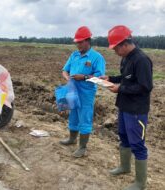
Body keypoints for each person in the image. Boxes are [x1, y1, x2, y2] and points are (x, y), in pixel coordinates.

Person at [101, 25, 153, 190]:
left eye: (115, 48)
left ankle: (140, 183)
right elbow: (126, 79)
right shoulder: (126, 58)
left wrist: (120, 88)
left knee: (137, 144)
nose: (115, 51)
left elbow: (145, 87)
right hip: (124, 106)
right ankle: (125, 167)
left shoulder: (142, 60)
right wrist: (111, 78)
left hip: (137, 110)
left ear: (124, 44)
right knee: (123, 136)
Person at [60, 26, 106, 158]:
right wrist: (68, 78)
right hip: (73, 90)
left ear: (87, 41)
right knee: (73, 115)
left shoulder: (97, 58)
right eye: (77, 42)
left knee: (84, 118)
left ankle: (82, 147)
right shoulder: (74, 55)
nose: (78, 45)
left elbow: (100, 78)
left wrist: (84, 77)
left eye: (80, 42)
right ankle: (72, 139)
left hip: (86, 93)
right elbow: (65, 70)